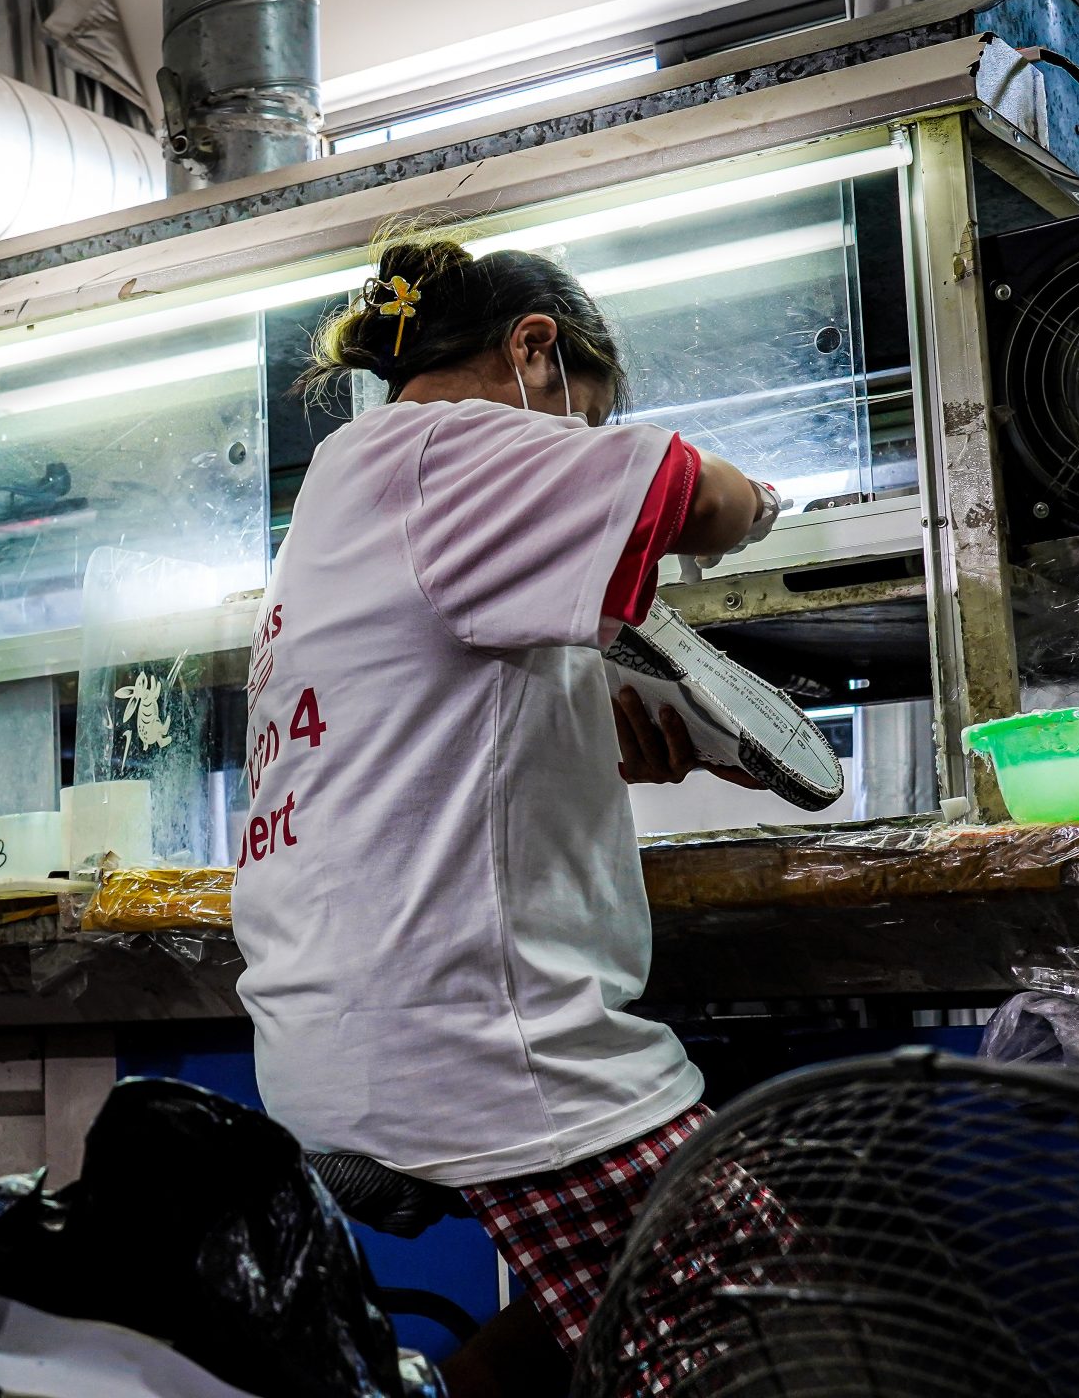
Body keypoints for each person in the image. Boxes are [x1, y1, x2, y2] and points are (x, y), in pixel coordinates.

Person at [228, 236, 777, 1391]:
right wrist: (763, 502)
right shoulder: (452, 444)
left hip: (334, 1036)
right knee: (746, 1285)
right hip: (466, 1047)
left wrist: (600, 748)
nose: (576, 440)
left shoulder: (348, 486)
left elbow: (422, 738)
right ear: (532, 349)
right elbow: (699, 497)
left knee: (624, 1306)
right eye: (583, 409)